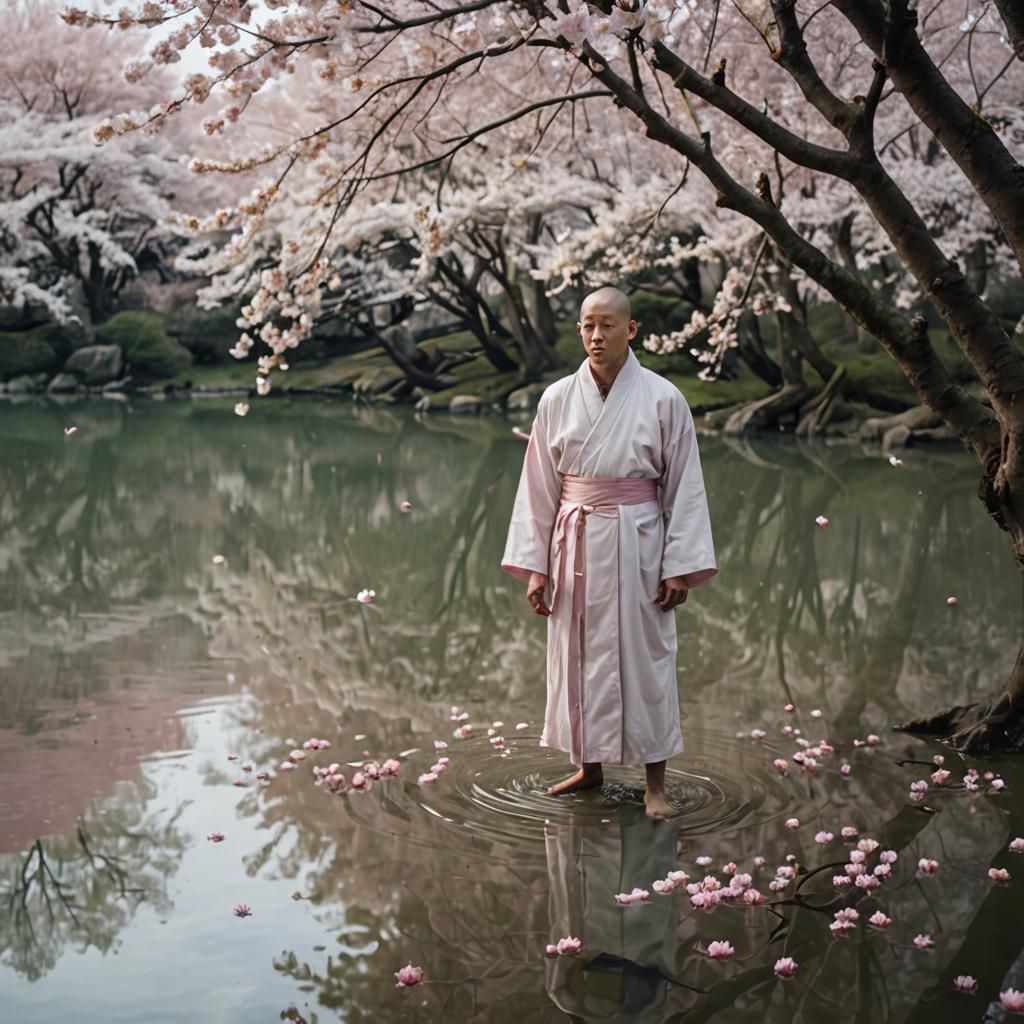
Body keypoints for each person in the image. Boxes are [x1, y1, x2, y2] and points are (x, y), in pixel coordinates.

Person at [501, 286, 717, 819]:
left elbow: (684, 487)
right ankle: (588, 767)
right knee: (576, 657)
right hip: (572, 541)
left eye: (607, 325)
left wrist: (680, 568)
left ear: (631, 329)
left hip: (637, 542)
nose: (596, 336)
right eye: (587, 326)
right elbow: (539, 487)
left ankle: (655, 785)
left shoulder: (664, 398)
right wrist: (535, 569)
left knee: (646, 659)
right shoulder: (556, 398)